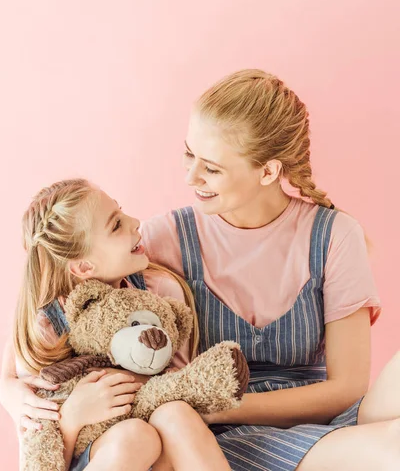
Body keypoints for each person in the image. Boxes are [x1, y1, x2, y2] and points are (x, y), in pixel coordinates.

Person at [139, 69, 400, 471]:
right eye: (190, 154)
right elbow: (61, 291)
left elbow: (347, 388)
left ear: (269, 171)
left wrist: (224, 407)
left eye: (212, 167)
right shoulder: (165, 238)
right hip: (216, 442)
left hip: (322, 418)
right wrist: (10, 389)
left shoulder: (334, 235)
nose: (191, 177)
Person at [0, 178, 230, 471]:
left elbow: (184, 385)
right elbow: (37, 453)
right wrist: (72, 417)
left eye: (122, 213)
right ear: (84, 267)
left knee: (176, 414)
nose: (135, 222)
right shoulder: (46, 328)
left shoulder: (158, 291)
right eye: (116, 225)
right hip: (92, 454)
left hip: (163, 447)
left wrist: (132, 385)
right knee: (134, 437)